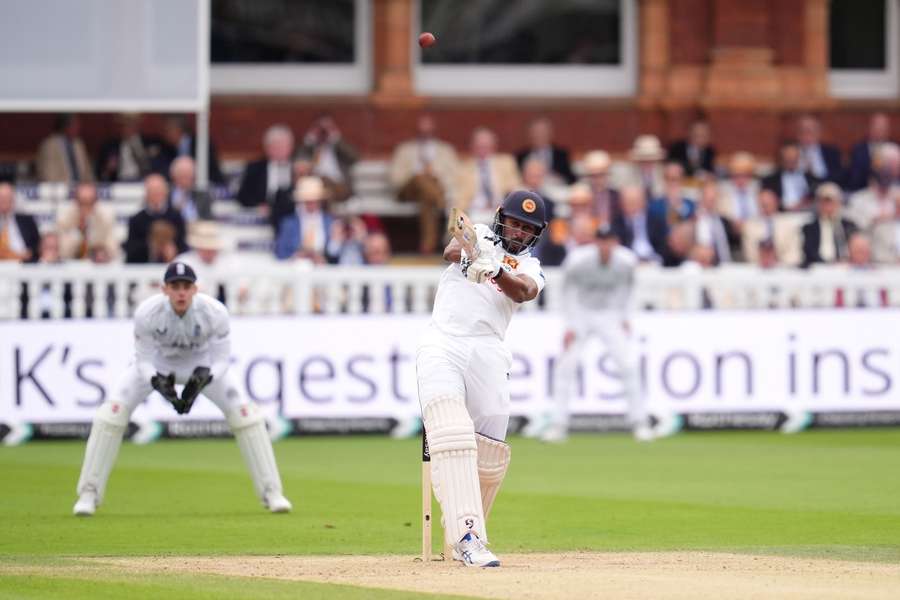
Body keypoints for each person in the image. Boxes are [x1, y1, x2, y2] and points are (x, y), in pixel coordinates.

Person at [72, 262, 292, 516]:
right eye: (175, 287)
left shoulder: (214, 312)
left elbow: (222, 360)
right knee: (111, 412)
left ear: (195, 289)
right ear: (165, 289)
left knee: (246, 414)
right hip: (157, 365)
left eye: (186, 287)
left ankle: (273, 493)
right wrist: (157, 381)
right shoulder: (148, 312)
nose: (181, 293)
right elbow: (142, 360)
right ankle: (88, 495)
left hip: (202, 365)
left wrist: (206, 378)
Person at [417, 190, 548, 567]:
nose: (519, 232)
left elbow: (524, 292)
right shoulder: (478, 234)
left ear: (536, 234)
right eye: (515, 223)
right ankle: (469, 538)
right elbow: (450, 251)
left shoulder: (532, 266)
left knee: (490, 455)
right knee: (451, 432)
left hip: (489, 350)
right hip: (443, 341)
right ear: (500, 216)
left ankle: (462, 528)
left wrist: (497, 270)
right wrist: (478, 254)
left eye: (528, 228)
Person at [534, 225, 681, 444]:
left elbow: (630, 289)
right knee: (566, 366)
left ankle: (639, 423)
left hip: (610, 315)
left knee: (628, 365)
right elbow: (566, 292)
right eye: (601, 241)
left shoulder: (626, 261)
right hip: (581, 313)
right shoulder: (578, 261)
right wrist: (570, 325)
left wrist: (625, 317)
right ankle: (558, 425)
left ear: (615, 242)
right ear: (595, 242)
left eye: (609, 241)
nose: (605, 246)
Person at [389, 114, 458, 253]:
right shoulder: (405, 149)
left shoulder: (445, 150)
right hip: (409, 190)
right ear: (416, 130)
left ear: (434, 130)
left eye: (428, 131)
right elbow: (395, 178)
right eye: (422, 131)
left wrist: (434, 174)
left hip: (433, 190)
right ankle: (441, 203)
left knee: (427, 198)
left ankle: (427, 246)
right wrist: (418, 174)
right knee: (421, 179)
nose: (425, 134)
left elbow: (455, 175)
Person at [455, 127, 521, 221]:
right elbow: (458, 198)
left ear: (494, 147)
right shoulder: (463, 169)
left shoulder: (506, 162)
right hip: (474, 213)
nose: (483, 151)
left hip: (501, 210)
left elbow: (515, 188)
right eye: (479, 147)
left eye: (486, 147)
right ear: (472, 147)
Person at [124, 175, 188, 263]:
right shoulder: (136, 220)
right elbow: (131, 250)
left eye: (158, 191)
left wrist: (173, 251)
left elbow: (184, 246)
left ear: (165, 192)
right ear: (146, 194)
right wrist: (151, 248)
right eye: (152, 191)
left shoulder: (176, 217)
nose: (156, 195)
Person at [301, 114, 359, 203]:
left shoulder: (338, 148)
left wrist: (335, 137)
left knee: (326, 185)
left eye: (326, 129)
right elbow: (298, 160)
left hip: (338, 187)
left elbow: (354, 157)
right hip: (315, 187)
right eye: (320, 129)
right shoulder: (310, 149)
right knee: (320, 183)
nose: (323, 132)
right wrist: (310, 139)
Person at [56, 182, 119, 262]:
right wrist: (78, 232)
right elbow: (62, 253)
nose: (86, 207)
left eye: (90, 202)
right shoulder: (64, 219)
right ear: (76, 201)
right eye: (82, 202)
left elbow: (113, 251)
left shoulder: (105, 219)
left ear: (96, 202)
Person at [238, 124, 296, 210]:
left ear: (291, 147)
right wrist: (258, 207)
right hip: (262, 217)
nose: (280, 150)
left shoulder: (299, 168)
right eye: (276, 146)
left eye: (283, 146)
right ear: (267, 148)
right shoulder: (255, 168)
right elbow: (243, 197)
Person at [801, 183, 857, 267]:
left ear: (838, 203)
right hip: (819, 268)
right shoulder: (809, 228)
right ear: (818, 204)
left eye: (831, 202)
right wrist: (829, 264)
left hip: (846, 267)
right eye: (824, 203)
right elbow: (809, 252)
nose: (828, 207)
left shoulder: (849, 226)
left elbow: (856, 249)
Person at [95, 113, 159, 183]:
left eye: (131, 124)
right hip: (119, 182)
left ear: (137, 125)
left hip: (143, 182)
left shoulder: (150, 143)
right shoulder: (110, 146)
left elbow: (159, 166)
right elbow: (100, 172)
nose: (127, 128)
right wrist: (108, 169)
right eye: (124, 125)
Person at [761, 140, 822, 212]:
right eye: (788, 157)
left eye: (794, 157)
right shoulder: (770, 180)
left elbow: (815, 196)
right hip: (782, 216)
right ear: (782, 158)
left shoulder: (811, 178)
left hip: (808, 214)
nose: (791, 160)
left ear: (799, 157)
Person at [514, 117, 575, 185]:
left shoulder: (561, 154)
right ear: (530, 134)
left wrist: (559, 178)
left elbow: (571, 178)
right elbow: (516, 179)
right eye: (536, 132)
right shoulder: (521, 156)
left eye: (543, 132)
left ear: (550, 133)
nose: (539, 135)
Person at [36, 114, 94, 184]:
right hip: (59, 190)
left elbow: (88, 173)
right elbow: (48, 176)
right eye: (75, 125)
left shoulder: (79, 144)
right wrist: (70, 188)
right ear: (65, 126)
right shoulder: (49, 145)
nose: (78, 128)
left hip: (81, 191)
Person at [847, 112, 894, 192]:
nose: (880, 130)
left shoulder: (894, 149)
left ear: (888, 130)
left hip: (891, 192)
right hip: (863, 192)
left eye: (883, 128)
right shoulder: (858, 150)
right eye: (877, 127)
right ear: (870, 128)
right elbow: (854, 177)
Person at [796, 115, 843, 183]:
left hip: (826, 186)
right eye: (803, 131)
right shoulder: (791, 152)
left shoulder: (831, 152)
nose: (807, 135)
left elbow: (839, 175)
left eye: (810, 131)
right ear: (798, 134)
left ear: (818, 133)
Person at [0, 182, 40, 262]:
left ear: (13, 200)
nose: (5, 201)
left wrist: (30, 253)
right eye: (2, 198)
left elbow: (36, 245)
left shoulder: (27, 221)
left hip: (23, 265)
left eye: (8, 198)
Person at [169, 156, 213, 223]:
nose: (185, 180)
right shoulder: (165, 193)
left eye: (189, 176)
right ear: (173, 176)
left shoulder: (203, 196)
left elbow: (208, 220)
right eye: (182, 176)